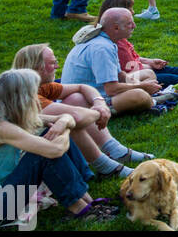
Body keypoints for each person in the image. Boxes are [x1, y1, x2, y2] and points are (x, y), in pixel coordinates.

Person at [0, 69, 122, 229]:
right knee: (42, 154)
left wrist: (62, 123)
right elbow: (54, 151)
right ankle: (80, 210)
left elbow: (67, 118)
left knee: (49, 134)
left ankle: (87, 201)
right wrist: (62, 129)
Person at [13, 43, 154, 178]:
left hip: (41, 146)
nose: (57, 66)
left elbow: (82, 87)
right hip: (22, 161)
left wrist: (99, 103)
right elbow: (77, 116)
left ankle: (114, 151)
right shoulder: (28, 95)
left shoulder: (36, 84)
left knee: (75, 98)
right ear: (37, 68)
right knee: (69, 120)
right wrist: (101, 112)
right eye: (52, 63)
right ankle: (107, 166)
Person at [60, 7, 158, 115]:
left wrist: (138, 83)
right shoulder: (103, 48)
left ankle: (145, 101)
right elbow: (111, 89)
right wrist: (142, 86)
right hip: (87, 101)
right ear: (116, 28)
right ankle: (153, 101)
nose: (134, 26)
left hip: (99, 90)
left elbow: (120, 75)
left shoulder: (106, 41)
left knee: (148, 74)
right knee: (140, 95)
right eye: (129, 24)